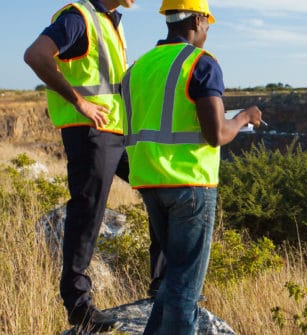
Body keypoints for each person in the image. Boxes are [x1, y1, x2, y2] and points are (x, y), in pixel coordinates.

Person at [120, 0, 262, 333]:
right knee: (186, 288)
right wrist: (244, 117)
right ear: (198, 20)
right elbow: (216, 135)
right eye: (208, 23)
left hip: (149, 182)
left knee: (174, 277)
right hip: (190, 185)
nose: (208, 30)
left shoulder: (138, 67)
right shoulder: (200, 63)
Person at [23, 0, 165, 331]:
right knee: (88, 212)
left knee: (159, 186)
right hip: (90, 132)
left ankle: (163, 283)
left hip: (117, 130)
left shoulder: (111, 21)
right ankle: (79, 307)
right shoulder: (79, 17)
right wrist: (80, 102)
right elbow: (35, 55)